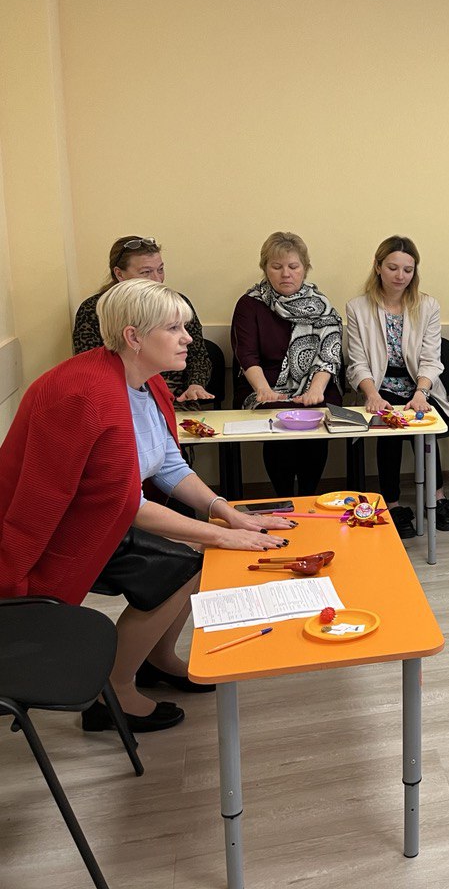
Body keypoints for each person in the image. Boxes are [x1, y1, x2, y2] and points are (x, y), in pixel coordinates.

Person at [0, 279, 292, 733]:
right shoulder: (89, 394)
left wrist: (226, 511)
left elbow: (167, 464)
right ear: (133, 336)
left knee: (191, 563)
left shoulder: (145, 382)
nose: (188, 338)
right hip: (55, 531)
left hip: (97, 516)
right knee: (177, 569)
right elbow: (124, 503)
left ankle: (156, 660)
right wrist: (222, 534)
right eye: (174, 328)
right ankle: (111, 693)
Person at [345, 236, 449, 533]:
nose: (400, 276)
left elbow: (431, 359)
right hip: (379, 386)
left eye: (408, 270)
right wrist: (372, 395)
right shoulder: (358, 307)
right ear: (377, 267)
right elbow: (357, 362)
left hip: (419, 384)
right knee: (389, 426)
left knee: (424, 423)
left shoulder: (427, 306)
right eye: (393, 268)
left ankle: (437, 498)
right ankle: (393, 504)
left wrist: (421, 393)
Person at [232, 231, 342, 496]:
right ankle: (283, 496)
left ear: (305, 268)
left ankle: (308, 495)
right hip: (264, 385)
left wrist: (315, 390)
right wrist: (264, 390)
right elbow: (246, 354)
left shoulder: (321, 305)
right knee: (280, 415)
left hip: (316, 383)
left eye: (293, 266)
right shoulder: (249, 304)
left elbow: (330, 353)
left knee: (316, 411)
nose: (286, 274)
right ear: (265, 268)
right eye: (277, 266)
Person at [72, 235, 214, 404]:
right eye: (146, 272)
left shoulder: (176, 304)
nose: (157, 279)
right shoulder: (94, 310)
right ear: (119, 274)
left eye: (160, 269)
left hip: (176, 401)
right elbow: (91, 367)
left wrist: (195, 384)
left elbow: (197, 355)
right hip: (117, 399)